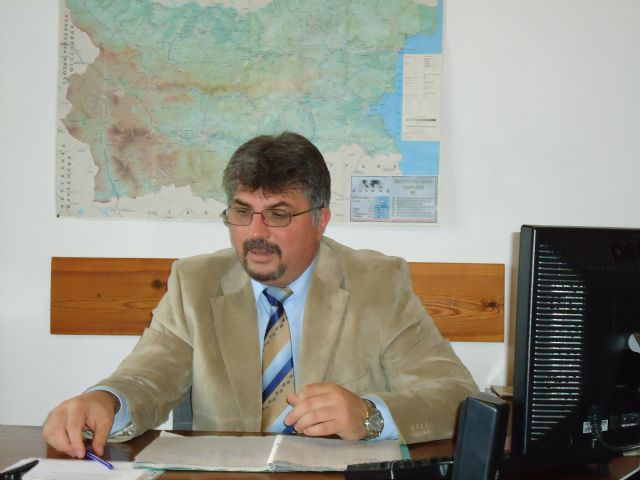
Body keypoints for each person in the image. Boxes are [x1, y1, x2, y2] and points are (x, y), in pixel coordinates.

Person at [43, 132, 478, 459]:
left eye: (278, 214)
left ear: (321, 220)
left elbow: (455, 396)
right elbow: (147, 378)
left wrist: (369, 415)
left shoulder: (376, 283)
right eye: (242, 211)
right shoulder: (195, 283)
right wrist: (106, 401)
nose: (255, 233)